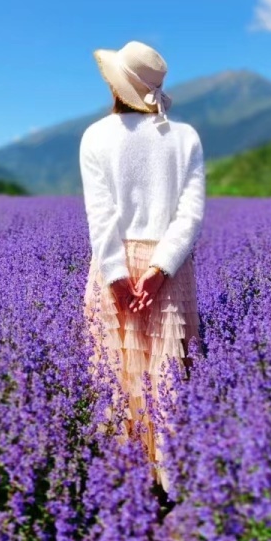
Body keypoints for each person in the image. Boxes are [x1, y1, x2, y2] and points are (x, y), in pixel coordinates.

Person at [80, 40, 205, 495]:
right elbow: (190, 215)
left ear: (116, 86)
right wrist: (160, 269)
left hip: (113, 260)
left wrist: (117, 276)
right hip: (170, 270)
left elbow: (100, 216)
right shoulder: (185, 137)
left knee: (117, 375)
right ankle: (170, 481)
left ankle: (123, 484)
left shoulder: (96, 136)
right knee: (167, 375)